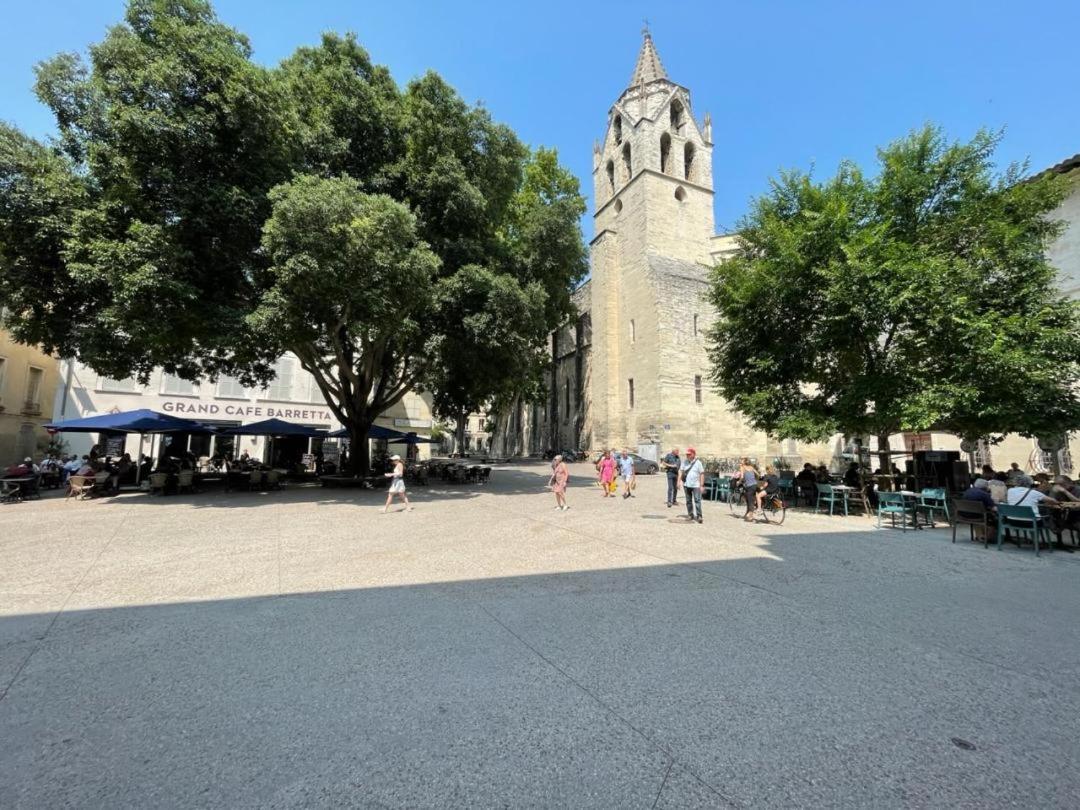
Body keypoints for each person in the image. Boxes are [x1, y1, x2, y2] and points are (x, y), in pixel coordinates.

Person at [678, 446, 705, 523]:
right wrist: (678, 482)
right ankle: (690, 514)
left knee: (697, 501)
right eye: (687, 454)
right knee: (688, 501)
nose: (687, 456)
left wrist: (702, 485)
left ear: (693, 454)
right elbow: (680, 471)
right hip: (686, 485)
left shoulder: (698, 463)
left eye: (689, 454)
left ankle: (699, 516)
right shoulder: (685, 462)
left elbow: (702, 474)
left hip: (696, 485)